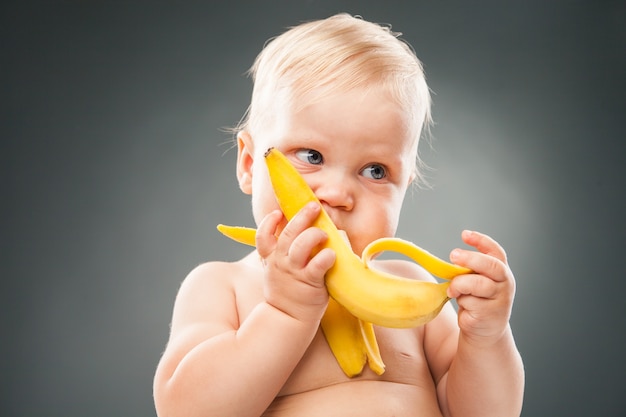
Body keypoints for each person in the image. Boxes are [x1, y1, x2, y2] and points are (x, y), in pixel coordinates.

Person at [153, 13, 524, 417]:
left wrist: (487, 338)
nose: (337, 195)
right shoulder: (224, 287)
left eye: (375, 171)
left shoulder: (411, 292)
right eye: (311, 157)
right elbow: (186, 410)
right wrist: (285, 314)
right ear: (248, 163)